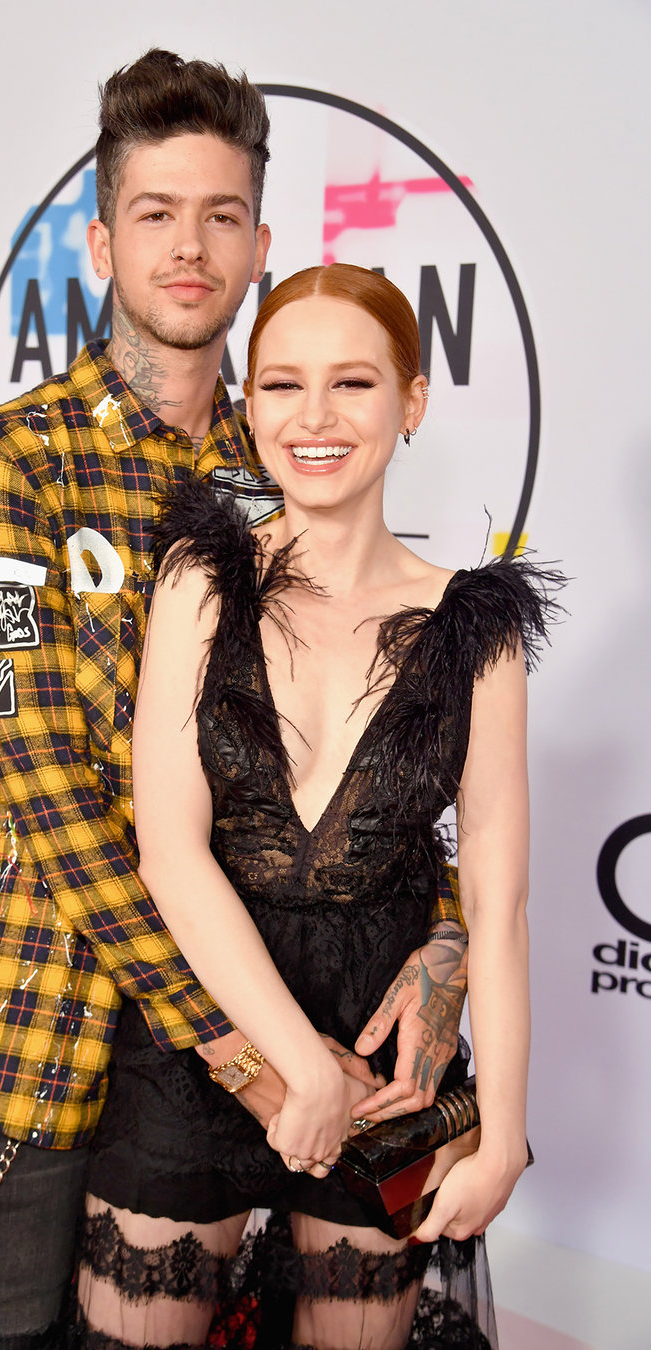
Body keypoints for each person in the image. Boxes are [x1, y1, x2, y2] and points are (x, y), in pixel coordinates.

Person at [0, 52, 468, 1350]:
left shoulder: (288, 483)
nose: (190, 245)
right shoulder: (4, 468)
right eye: (158, 213)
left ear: (261, 244)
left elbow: (371, 764)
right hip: (48, 1043)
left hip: (265, 1050)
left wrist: (443, 942)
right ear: (103, 238)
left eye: (222, 215)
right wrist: (241, 1044)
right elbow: (44, 792)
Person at [73, 264, 561, 1350]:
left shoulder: (472, 630)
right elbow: (172, 851)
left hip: (390, 1068)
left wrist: (506, 1134)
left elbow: (500, 899)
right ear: (249, 404)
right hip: (204, 1037)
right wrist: (294, 1065)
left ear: (413, 402)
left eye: (353, 383)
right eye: (283, 386)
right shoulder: (200, 581)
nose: (316, 419)